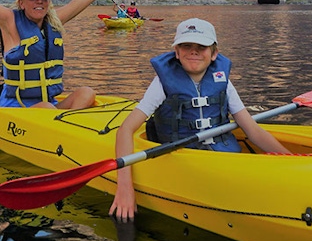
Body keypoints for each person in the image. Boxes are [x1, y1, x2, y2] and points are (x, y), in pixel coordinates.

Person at [109, 18, 291, 222]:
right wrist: (124, 187)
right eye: (186, 46)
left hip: (225, 158)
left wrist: (291, 160)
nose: (193, 51)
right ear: (176, 52)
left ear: (214, 54)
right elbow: (125, 130)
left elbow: (253, 131)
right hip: (184, 160)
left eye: (201, 47)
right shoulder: (162, 83)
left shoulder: (223, 81)